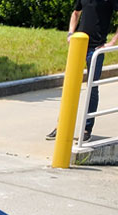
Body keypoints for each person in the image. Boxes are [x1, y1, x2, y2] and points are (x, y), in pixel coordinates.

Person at [47, 1, 118, 141]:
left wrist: (112, 42)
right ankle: (61, 126)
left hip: (96, 49)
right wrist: (70, 34)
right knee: (70, 87)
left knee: (92, 88)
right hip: (78, 45)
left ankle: (87, 128)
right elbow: (75, 13)